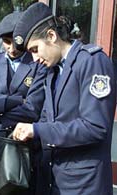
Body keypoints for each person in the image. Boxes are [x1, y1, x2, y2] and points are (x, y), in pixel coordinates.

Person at [12, 2, 117, 195]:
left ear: (51, 36)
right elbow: (49, 120)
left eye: (35, 49)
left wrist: (37, 130)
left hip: (83, 185)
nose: (34, 59)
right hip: (54, 181)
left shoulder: (92, 62)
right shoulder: (53, 71)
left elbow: (95, 127)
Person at [0, 12, 47, 194]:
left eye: (15, 42)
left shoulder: (38, 64)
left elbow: (33, 109)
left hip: (23, 148)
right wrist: (13, 100)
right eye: (6, 42)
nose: (11, 48)